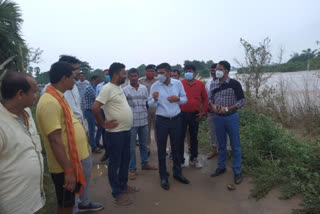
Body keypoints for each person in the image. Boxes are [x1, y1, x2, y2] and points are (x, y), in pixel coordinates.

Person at [92, 62, 137, 206]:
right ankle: (116, 193)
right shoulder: (107, 88)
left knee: (125, 160)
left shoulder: (118, 87)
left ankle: (123, 185)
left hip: (125, 131)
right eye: (124, 73)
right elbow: (95, 107)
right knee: (115, 163)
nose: (126, 76)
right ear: (116, 74)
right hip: (115, 133)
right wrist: (103, 123)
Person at [0, 72, 45, 214]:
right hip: (14, 205)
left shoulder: (27, 112)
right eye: (34, 91)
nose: (37, 94)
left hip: (36, 196)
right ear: (20, 94)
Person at [148, 62, 189, 191]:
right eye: (158, 73)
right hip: (161, 121)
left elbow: (185, 99)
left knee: (177, 147)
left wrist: (178, 99)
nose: (159, 75)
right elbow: (150, 105)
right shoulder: (155, 86)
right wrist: (154, 99)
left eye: (162, 73)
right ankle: (163, 176)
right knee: (161, 149)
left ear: (169, 72)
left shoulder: (178, 84)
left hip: (176, 119)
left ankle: (177, 173)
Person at [209, 60, 245, 185]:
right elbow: (210, 99)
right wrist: (213, 106)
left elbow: (241, 101)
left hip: (231, 117)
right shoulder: (213, 84)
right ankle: (221, 166)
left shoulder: (235, 84)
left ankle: (237, 170)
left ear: (227, 71)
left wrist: (228, 108)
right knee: (221, 144)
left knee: (235, 145)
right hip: (218, 118)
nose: (217, 71)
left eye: (220, 69)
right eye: (217, 69)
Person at [123, 68, 157, 180]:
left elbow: (147, 103)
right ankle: (132, 169)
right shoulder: (125, 90)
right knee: (131, 147)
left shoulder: (144, 89)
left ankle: (145, 164)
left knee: (143, 144)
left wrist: (155, 100)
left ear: (138, 76)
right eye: (131, 76)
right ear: (128, 77)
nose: (133, 78)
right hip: (131, 123)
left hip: (143, 121)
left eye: (135, 76)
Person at [180, 64, 208, 168]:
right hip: (181, 114)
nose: (188, 73)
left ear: (195, 73)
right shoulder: (180, 83)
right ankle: (180, 160)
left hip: (194, 115)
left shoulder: (200, 84)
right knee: (180, 137)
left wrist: (203, 112)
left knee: (194, 137)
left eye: (190, 71)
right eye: (186, 71)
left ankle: (194, 158)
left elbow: (205, 99)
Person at [206, 63, 231, 159]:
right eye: (212, 70)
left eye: (215, 70)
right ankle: (214, 149)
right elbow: (207, 97)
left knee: (226, 132)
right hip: (211, 112)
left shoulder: (227, 82)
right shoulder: (208, 83)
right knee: (212, 131)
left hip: (224, 112)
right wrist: (209, 107)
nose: (213, 72)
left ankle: (227, 150)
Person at [139, 64, 157, 153]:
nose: (150, 73)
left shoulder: (158, 81)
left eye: (152, 71)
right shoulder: (140, 81)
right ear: (145, 72)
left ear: (154, 72)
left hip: (157, 108)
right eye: (148, 71)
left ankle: (160, 147)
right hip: (145, 108)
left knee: (158, 128)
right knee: (147, 129)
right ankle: (147, 147)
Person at [84, 75, 101, 153]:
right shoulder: (89, 88)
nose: (98, 83)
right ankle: (93, 146)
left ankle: (96, 143)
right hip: (89, 111)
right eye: (97, 81)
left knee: (99, 127)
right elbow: (97, 98)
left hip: (93, 111)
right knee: (92, 129)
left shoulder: (92, 87)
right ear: (93, 80)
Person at [96, 69, 110, 162]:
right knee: (104, 132)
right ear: (103, 75)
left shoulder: (116, 85)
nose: (107, 76)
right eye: (106, 74)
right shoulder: (99, 86)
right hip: (103, 111)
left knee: (113, 131)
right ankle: (107, 153)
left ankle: (114, 153)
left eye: (109, 74)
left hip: (112, 111)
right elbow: (97, 100)